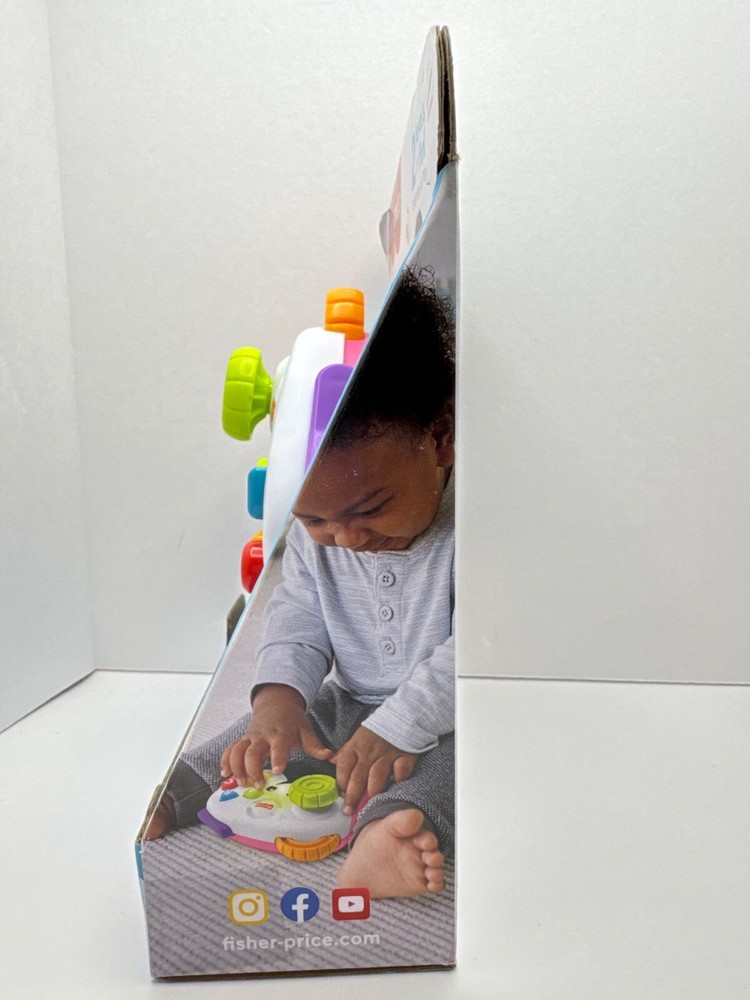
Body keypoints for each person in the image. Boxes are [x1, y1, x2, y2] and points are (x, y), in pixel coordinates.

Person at [145, 268, 455, 900]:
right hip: (351, 701)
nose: (346, 538)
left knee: (451, 769)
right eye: (314, 520)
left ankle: (385, 835)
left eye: (371, 510)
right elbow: (299, 615)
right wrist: (277, 704)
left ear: (441, 438)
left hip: (450, 713)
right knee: (275, 737)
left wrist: (401, 727)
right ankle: (181, 790)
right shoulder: (323, 539)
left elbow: (475, 649)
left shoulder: (477, 530)